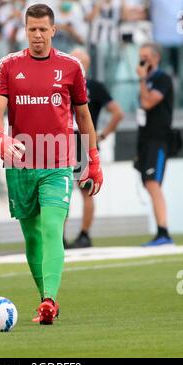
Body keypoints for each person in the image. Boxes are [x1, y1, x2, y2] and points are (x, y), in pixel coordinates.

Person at [0, 4, 103, 325]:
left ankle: (49, 300)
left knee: (52, 228)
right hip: (20, 165)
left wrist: (92, 159)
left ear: (54, 30)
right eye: (31, 29)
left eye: (43, 29)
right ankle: (45, 300)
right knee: (32, 238)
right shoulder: (8, 65)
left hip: (58, 163)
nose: (37, 35)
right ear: (25, 30)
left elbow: (83, 117)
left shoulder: (71, 67)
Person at [66, 49, 124, 248]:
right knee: (60, 190)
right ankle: (60, 236)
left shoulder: (94, 86)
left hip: (83, 140)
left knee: (85, 190)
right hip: (63, 140)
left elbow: (117, 112)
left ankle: (84, 234)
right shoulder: (61, 83)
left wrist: (103, 134)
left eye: (80, 61)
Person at [135, 43, 174, 246]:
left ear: (156, 58)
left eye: (147, 56)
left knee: (153, 183)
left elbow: (148, 103)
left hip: (158, 139)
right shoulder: (147, 81)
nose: (143, 61)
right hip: (146, 140)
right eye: (141, 57)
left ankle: (163, 231)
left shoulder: (162, 79)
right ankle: (161, 231)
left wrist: (142, 78)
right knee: (149, 183)